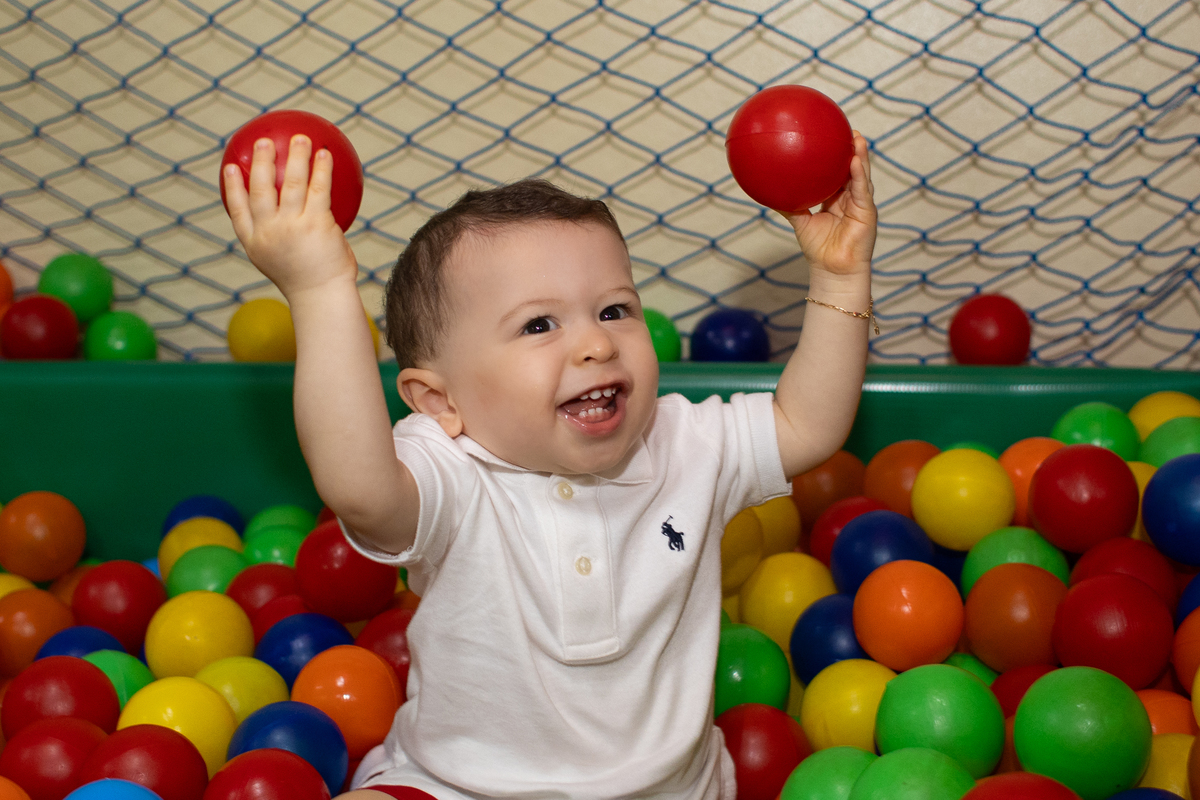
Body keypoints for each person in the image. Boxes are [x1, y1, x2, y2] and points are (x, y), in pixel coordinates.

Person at [222, 128, 876, 800]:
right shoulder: (452, 470)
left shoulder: (685, 442)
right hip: (456, 787)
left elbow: (808, 422)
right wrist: (322, 288)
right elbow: (359, 487)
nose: (596, 342)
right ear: (440, 402)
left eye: (615, 309)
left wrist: (840, 273)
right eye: (539, 324)